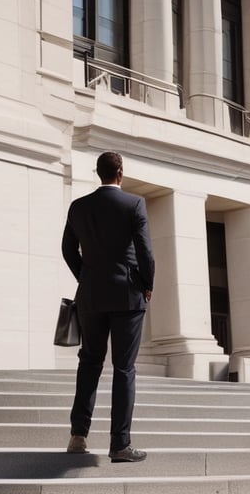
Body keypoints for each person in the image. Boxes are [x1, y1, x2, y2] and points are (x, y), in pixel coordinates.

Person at [61, 151, 155, 463]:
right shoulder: (134, 204)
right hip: (128, 294)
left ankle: (78, 436)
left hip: (91, 296)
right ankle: (120, 445)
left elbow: (67, 249)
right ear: (120, 173)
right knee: (124, 368)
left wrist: (86, 277)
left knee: (89, 363)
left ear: (98, 173)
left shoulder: (79, 207)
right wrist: (146, 283)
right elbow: (146, 253)